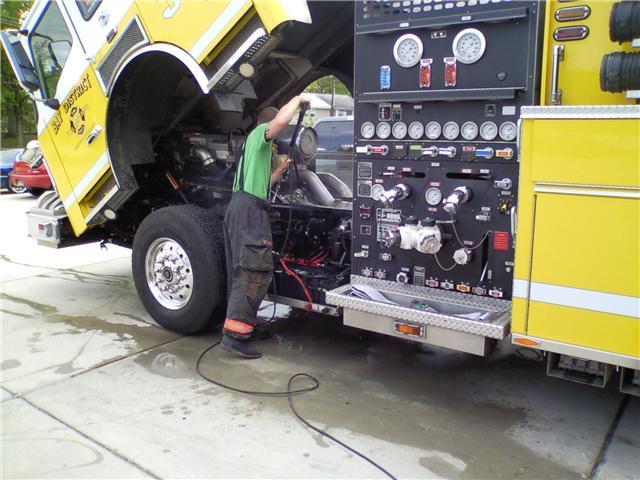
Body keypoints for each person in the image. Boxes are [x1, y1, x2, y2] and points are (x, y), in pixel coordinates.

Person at [221, 96, 309, 359]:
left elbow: (263, 183)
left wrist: (280, 170)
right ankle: (234, 336)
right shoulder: (261, 132)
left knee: (244, 270)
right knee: (253, 271)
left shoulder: (253, 149)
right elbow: (281, 121)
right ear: (266, 123)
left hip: (242, 207)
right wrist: (298, 100)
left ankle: (244, 325)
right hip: (249, 213)